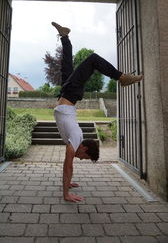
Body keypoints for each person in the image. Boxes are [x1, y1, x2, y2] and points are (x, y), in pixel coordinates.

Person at [52, 22, 143, 202]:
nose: (80, 159)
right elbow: (67, 166)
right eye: (85, 157)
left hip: (67, 94)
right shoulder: (76, 138)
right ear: (84, 148)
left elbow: (67, 167)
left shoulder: (74, 140)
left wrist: (68, 183)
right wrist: (66, 194)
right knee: (92, 59)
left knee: (66, 66)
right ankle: (122, 77)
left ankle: (64, 37)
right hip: (70, 95)